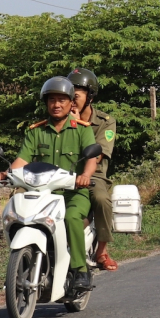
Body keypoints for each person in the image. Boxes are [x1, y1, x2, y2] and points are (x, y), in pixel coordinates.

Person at [0, 77, 98, 291]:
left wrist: (85, 176)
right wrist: (8, 173)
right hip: (42, 193)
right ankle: (21, 265)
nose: (57, 104)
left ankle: (80, 270)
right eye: (52, 100)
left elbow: (91, 158)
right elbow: (22, 160)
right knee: (20, 215)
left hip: (73, 193)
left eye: (62, 100)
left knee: (71, 218)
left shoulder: (83, 130)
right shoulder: (36, 131)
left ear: (72, 103)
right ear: (46, 103)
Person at [67, 68, 118, 272]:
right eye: (68, 95)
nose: (70, 100)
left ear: (90, 97)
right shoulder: (59, 118)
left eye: (76, 95)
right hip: (63, 172)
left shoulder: (106, 122)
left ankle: (102, 251)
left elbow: (97, 155)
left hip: (93, 174)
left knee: (101, 199)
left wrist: (78, 124)